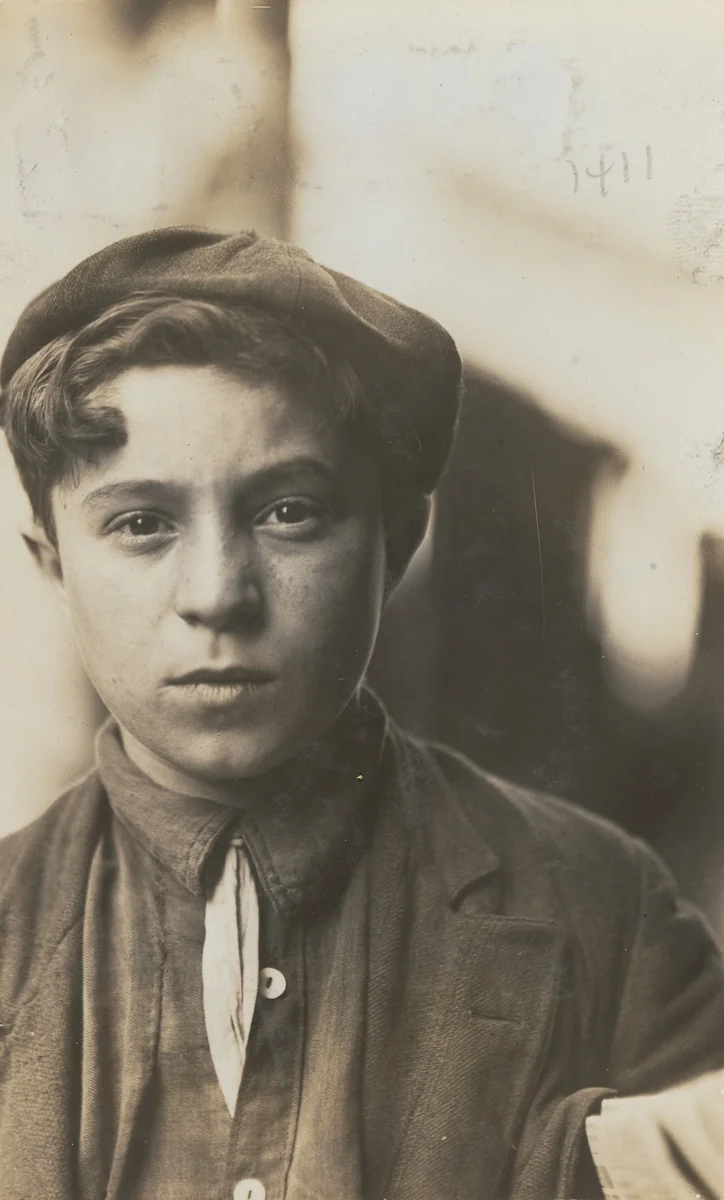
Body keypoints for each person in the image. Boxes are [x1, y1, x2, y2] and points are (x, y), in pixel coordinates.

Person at [0, 227, 723, 1200]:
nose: (217, 593)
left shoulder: (605, 914)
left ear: (396, 538)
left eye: (287, 511)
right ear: (52, 561)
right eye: (142, 524)